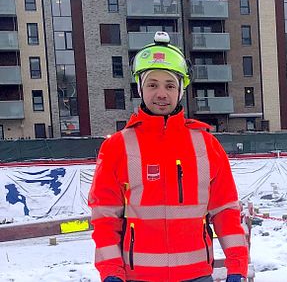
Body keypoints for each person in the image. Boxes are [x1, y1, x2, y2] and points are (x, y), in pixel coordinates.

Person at [88, 31, 250, 282]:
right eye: (152, 84)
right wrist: (111, 272)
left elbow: (225, 211)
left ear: (180, 90)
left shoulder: (206, 145)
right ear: (140, 88)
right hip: (137, 277)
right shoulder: (117, 147)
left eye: (170, 85)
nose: (161, 93)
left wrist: (237, 265)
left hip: (197, 275)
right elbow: (105, 217)